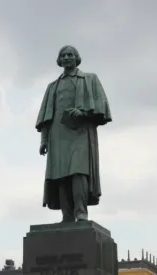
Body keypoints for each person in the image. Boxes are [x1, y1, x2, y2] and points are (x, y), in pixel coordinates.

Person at [36, 45, 112, 222]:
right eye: (63, 55)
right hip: (58, 134)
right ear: (59, 60)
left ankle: (81, 211)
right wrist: (44, 140)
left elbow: (102, 106)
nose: (67, 57)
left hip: (80, 133)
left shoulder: (89, 79)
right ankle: (67, 215)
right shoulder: (53, 86)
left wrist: (84, 113)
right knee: (61, 175)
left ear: (77, 58)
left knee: (79, 172)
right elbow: (46, 116)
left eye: (70, 54)